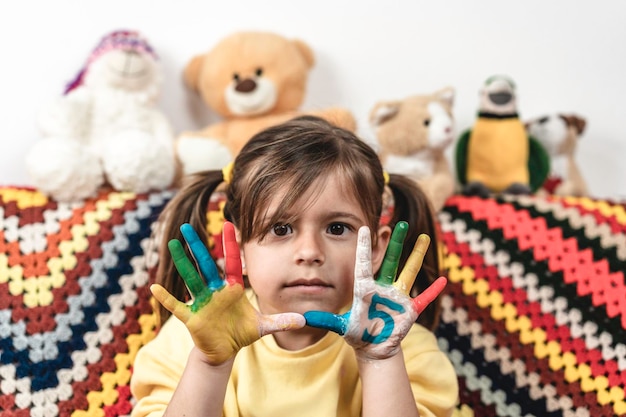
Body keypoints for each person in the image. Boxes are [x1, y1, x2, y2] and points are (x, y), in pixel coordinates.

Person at [130, 116, 458, 417]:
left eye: (337, 228)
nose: (310, 253)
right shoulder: (192, 339)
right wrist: (209, 364)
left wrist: (380, 360)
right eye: (281, 229)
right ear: (241, 250)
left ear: (376, 248)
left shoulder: (403, 346)